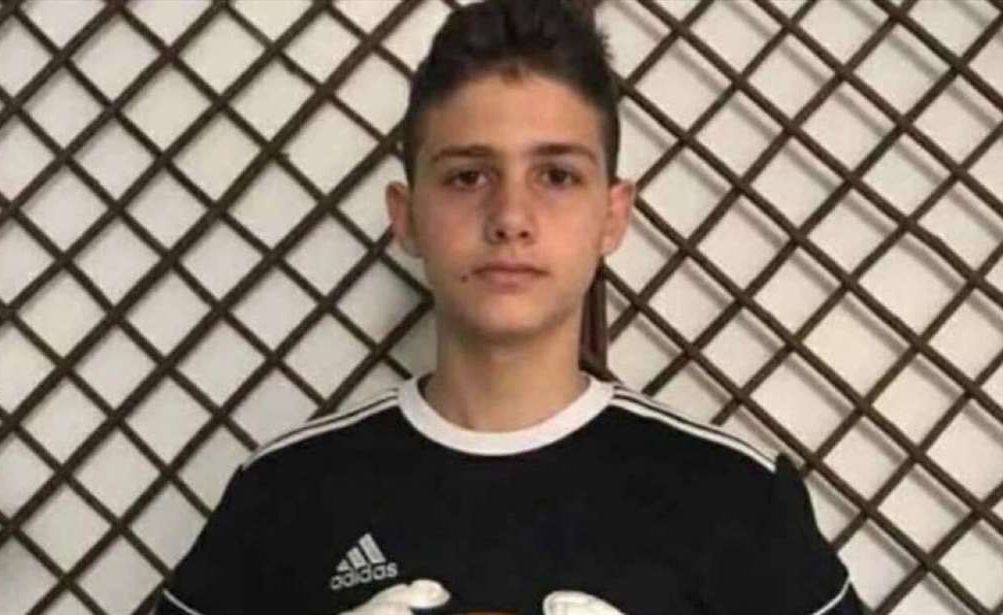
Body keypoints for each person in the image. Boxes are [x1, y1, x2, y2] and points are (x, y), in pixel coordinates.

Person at [155, 0, 862, 613]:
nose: (511, 218)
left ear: (613, 215)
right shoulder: (285, 494)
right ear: (406, 215)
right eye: (468, 176)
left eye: (556, 175)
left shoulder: (735, 497)